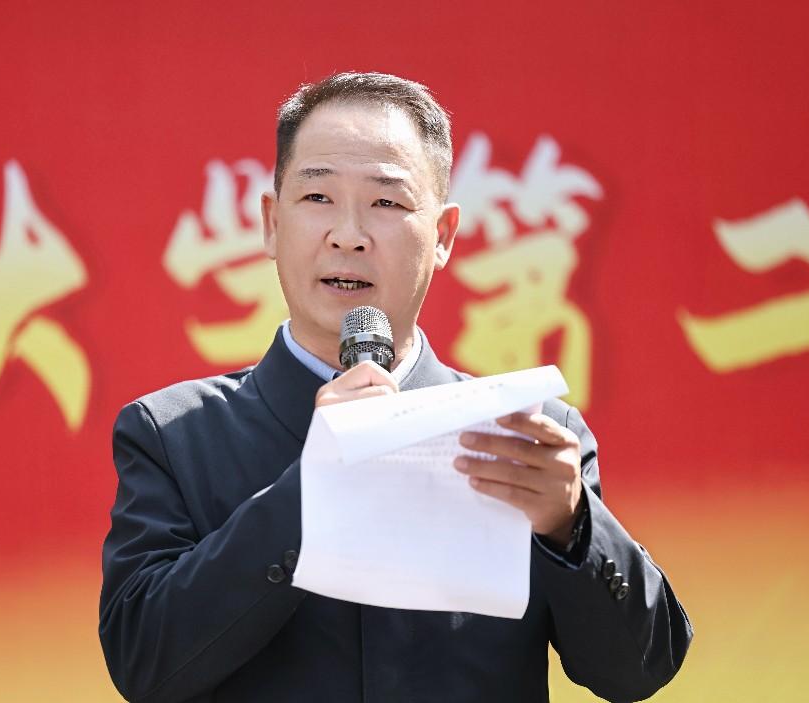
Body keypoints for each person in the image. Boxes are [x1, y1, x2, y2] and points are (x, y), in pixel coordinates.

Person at [99, 72, 692, 703]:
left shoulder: (526, 434)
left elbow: (637, 672)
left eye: (386, 203)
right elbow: (145, 666)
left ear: (442, 236)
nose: (349, 234)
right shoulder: (173, 436)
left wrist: (571, 527)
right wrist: (310, 490)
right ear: (271, 224)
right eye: (318, 196)